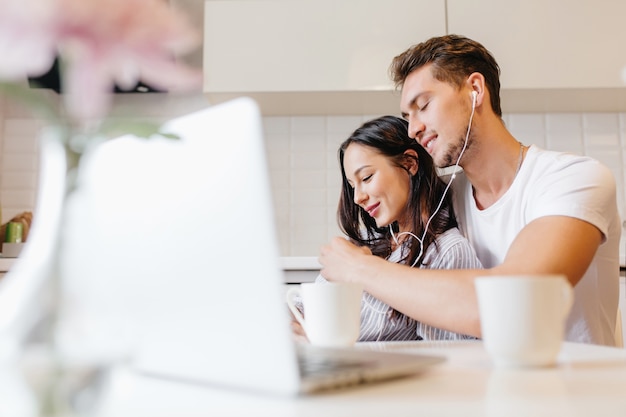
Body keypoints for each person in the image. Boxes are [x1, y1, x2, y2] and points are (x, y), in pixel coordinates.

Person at [318, 34, 621, 346]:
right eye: (407, 117)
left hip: (579, 390)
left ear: (475, 90)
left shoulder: (574, 179)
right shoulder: (445, 198)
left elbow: (514, 304)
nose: (413, 129)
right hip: (489, 388)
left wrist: (360, 269)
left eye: (423, 105)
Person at [295, 115, 483, 342]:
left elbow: (451, 356)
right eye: (352, 186)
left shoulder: (448, 252)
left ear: (409, 163)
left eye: (367, 177)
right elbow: (302, 306)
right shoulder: (364, 243)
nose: (357, 198)